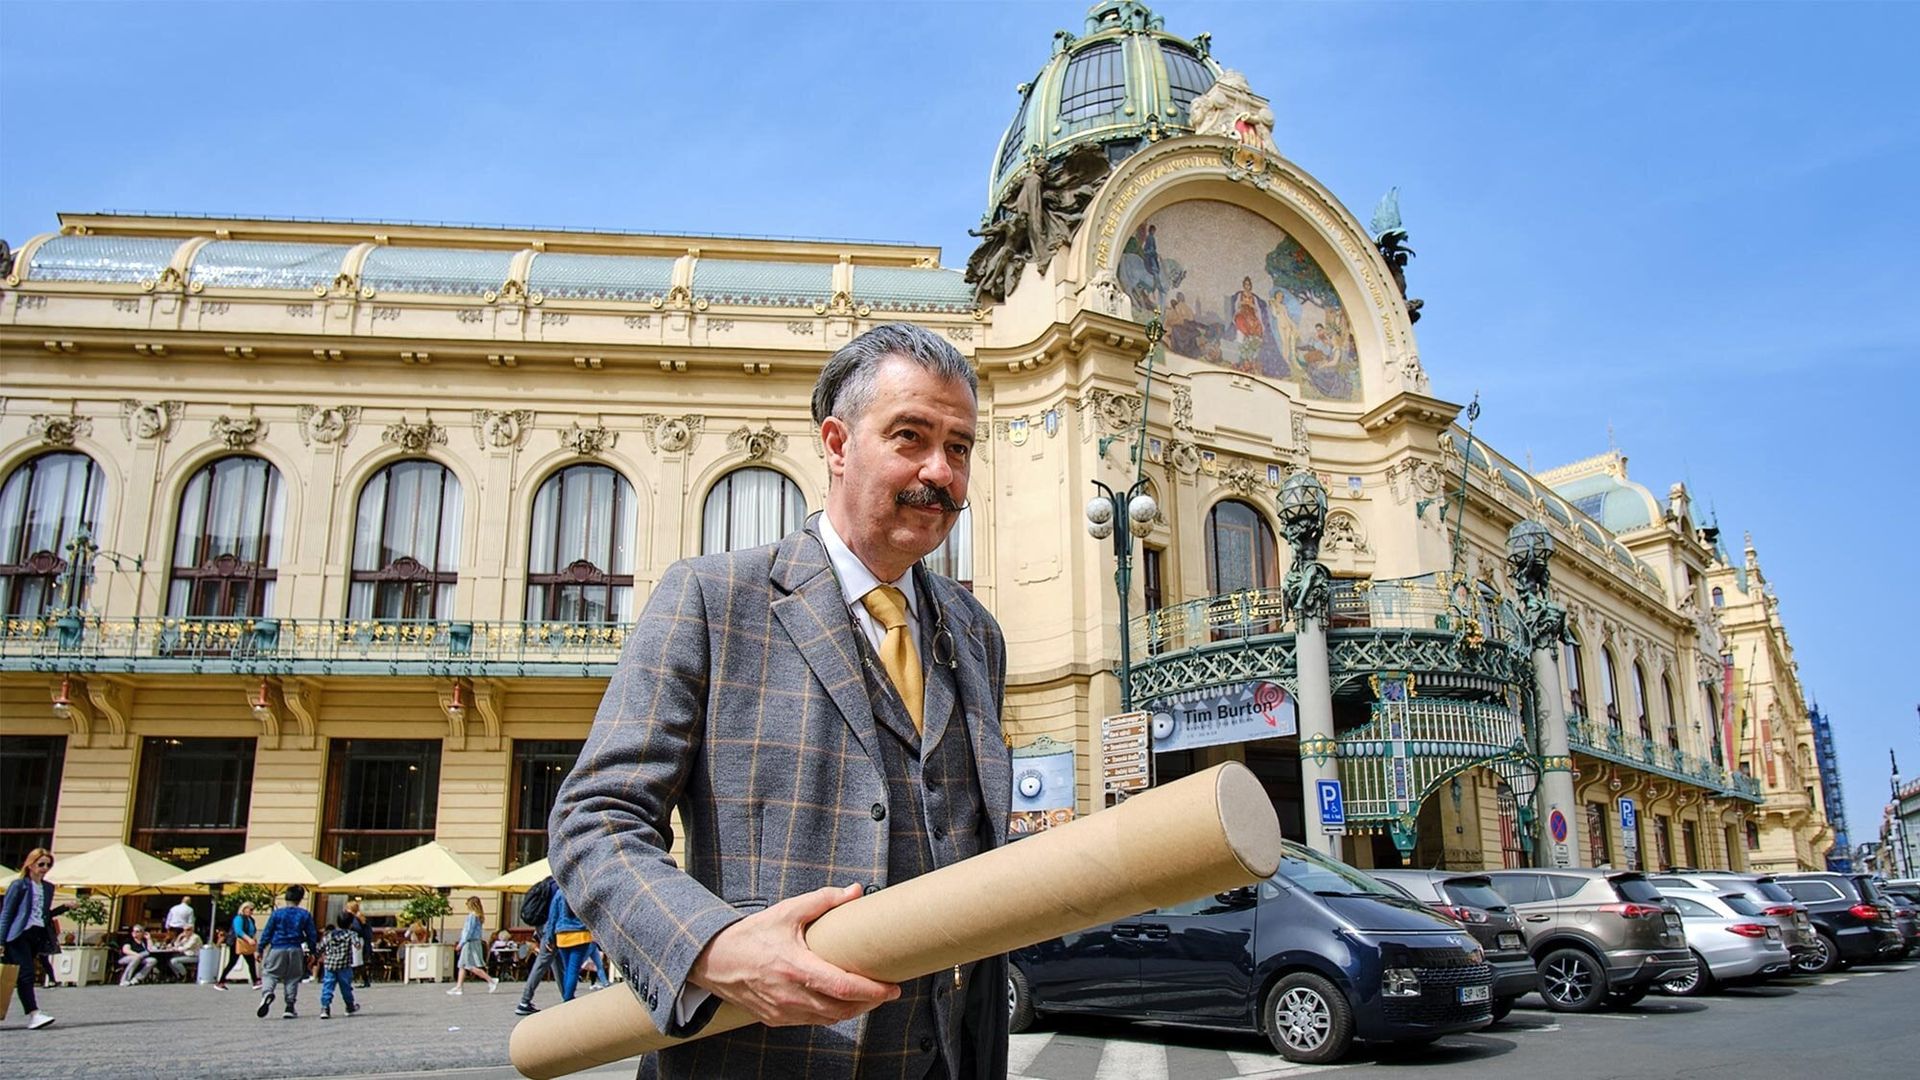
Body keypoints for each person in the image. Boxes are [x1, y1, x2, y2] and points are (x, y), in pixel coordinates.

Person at [549, 322, 1012, 1079]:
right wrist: (712, 948)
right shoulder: (711, 599)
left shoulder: (977, 632)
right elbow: (594, 820)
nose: (941, 471)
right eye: (911, 437)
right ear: (837, 444)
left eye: (959, 447)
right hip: (756, 1059)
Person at [2, 847, 71, 1030]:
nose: (45, 868)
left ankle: (34, 1014)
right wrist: (1, 941)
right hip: (18, 936)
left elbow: (44, 915)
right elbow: (7, 914)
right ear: (30, 865)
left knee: (21, 976)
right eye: (41, 864)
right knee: (26, 974)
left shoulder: (48, 887)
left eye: (48, 865)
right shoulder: (19, 885)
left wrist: (64, 908)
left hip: (36, 935)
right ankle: (34, 1014)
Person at [255, 884, 319, 1020]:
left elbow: (267, 932)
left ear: (286, 897)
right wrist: (313, 952)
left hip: (277, 947)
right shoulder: (304, 914)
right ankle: (289, 1006)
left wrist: (260, 949)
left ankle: (267, 993)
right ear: (300, 899)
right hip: (295, 948)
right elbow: (311, 934)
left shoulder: (277, 913)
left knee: (270, 974)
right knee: (292, 977)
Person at [544, 888, 593, 1003]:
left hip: (562, 936)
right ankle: (568, 998)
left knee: (567, 969)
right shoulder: (581, 891)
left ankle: (567, 996)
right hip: (580, 934)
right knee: (573, 969)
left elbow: (553, 917)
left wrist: (549, 938)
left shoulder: (559, 893)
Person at [448, 895, 498, 995]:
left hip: (470, 943)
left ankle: (491, 980)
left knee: (470, 966)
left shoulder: (472, 916)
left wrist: (461, 943)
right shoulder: (479, 916)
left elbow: (468, 932)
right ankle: (459, 987)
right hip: (474, 942)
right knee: (462, 965)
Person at [317, 911, 362, 1020]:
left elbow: (320, 947)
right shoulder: (351, 934)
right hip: (344, 965)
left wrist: (318, 954)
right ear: (350, 924)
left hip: (330, 965)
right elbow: (357, 945)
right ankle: (349, 1006)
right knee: (346, 987)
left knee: (328, 986)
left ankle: (325, 1007)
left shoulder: (329, 934)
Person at [216, 901, 259, 990]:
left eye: (253, 909)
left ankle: (255, 981)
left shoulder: (251, 919)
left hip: (246, 943)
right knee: (232, 962)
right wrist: (248, 939)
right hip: (236, 943)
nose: (252, 911)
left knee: (251, 962)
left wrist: (254, 940)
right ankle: (220, 981)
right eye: (250, 909)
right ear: (244, 909)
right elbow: (238, 931)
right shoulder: (239, 918)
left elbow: (253, 931)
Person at [343, 899, 372, 988]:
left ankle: (349, 980)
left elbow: (358, 929)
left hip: (356, 940)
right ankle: (365, 980)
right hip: (359, 940)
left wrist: (350, 928)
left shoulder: (354, 918)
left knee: (356, 962)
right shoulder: (359, 917)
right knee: (358, 961)